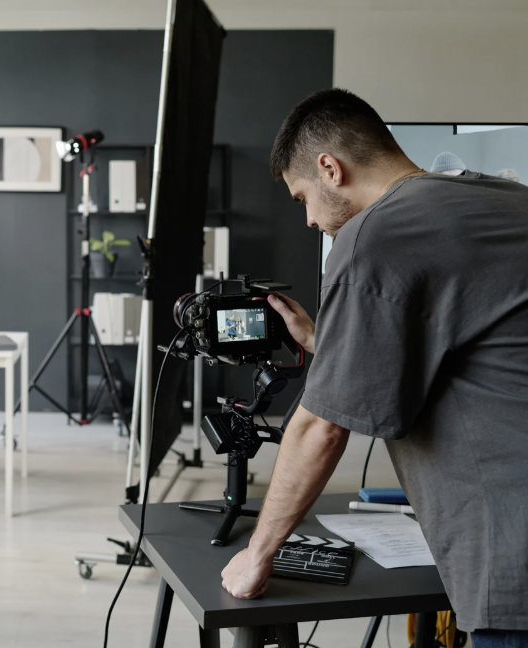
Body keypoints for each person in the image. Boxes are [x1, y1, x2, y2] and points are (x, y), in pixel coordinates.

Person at [220, 89, 528, 646]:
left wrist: (257, 554)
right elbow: (482, 347)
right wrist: (326, 342)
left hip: (514, 560)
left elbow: (322, 427)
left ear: (330, 168)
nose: (311, 221)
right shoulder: (510, 199)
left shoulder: (375, 234)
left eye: (302, 199)